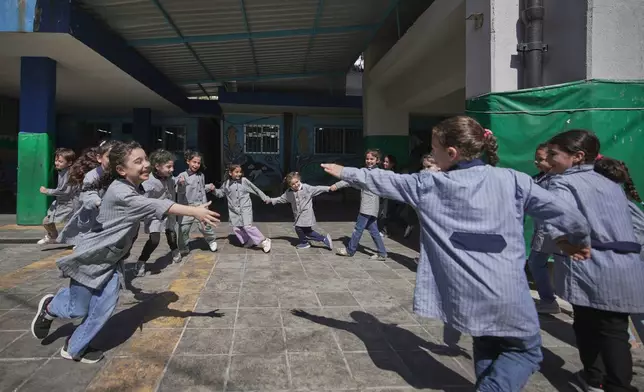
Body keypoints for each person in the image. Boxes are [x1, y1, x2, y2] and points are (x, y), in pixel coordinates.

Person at [321, 116, 591, 391]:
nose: (432, 154)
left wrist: (345, 172)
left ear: (451, 153)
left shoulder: (428, 185)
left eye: (434, 148)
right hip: (507, 295)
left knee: (486, 344)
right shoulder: (512, 180)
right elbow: (568, 214)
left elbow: (383, 180)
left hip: (465, 296)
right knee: (526, 352)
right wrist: (578, 241)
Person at [30, 141, 220, 363]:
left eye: (146, 159)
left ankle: (74, 346)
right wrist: (194, 211)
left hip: (113, 260)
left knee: (104, 308)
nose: (146, 164)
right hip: (92, 258)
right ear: (121, 170)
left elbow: (158, 197)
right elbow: (155, 206)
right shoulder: (120, 191)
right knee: (77, 309)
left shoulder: (137, 186)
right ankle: (51, 307)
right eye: (138, 161)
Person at [545, 130, 644, 392]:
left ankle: (596, 379)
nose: (549, 158)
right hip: (626, 264)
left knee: (589, 326)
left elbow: (560, 216)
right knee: (615, 331)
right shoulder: (610, 182)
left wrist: (566, 242)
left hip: (593, 263)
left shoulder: (564, 183)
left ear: (577, 156)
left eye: (554, 154)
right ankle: (616, 384)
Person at [594, 156, 644, 352]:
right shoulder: (627, 201)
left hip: (627, 257)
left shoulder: (612, 203)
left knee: (620, 306)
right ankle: (629, 339)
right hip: (633, 256)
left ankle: (628, 340)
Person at [58, 140, 117, 246]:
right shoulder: (92, 176)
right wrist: (98, 202)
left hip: (112, 220)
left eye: (118, 157)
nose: (114, 161)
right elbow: (89, 194)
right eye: (110, 157)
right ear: (99, 158)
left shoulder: (122, 174)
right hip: (92, 219)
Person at [333, 149, 388, 260]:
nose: (369, 161)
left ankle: (350, 250)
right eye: (367, 159)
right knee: (374, 230)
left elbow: (351, 180)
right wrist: (338, 185)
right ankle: (382, 253)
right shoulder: (372, 172)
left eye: (372, 159)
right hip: (373, 206)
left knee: (358, 228)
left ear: (377, 160)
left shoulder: (369, 172)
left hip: (368, 206)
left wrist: (337, 185)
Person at [134, 149, 181, 277]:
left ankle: (175, 250)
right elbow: (142, 198)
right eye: (168, 167)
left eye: (172, 166)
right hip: (154, 215)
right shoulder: (149, 182)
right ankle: (141, 261)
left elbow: (174, 181)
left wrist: (180, 180)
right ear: (157, 166)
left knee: (171, 233)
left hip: (169, 212)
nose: (172, 169)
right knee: (154, 240)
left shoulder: (170, 177)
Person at [527, 143, 561, 314]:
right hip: (544, 231)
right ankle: (549, 300)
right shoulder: (539, 178)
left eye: (540, 159)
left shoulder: (558, 180)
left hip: (555, 231)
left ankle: (550, 301)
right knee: (536, 262)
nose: (536, 162)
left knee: (537, 262)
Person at [266, 171, 334, 250]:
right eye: (293, 184)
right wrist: (271, 200)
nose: (296, 185)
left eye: (297, 182)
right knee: (307, 231)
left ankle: (305, 242)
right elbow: (281, 199)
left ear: (299, 179)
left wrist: (329, 188)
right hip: (298, 215)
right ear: (290, 185)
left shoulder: (307, 188)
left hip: (306, 214)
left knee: (298, 228)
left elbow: (318, 188)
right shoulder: (289, 192)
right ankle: (323, 239)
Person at [213, 164, 271, 253]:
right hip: (234, 210)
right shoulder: (226, 184)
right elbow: (220, 193)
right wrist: (213, 190)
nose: (239, 174)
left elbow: (255, 189)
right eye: (236, 172)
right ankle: (249, 240)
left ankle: (264, 240)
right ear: (230, 173)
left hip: (245, 208)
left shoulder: (244, 181)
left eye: (240, 172)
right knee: (236, 227)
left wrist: (265, 197)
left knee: (247, 226)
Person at [176, 150, 218, 255]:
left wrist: (208, 187)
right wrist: (181, 184)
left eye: (198, 163)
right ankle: (183, 247)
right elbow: (179, 191)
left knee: (205, 226)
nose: (196, 165)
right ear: (188, 161)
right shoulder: (182, 176)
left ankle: (211, 240)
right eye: (194, 162)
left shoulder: (201, 175)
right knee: (183, 229)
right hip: (187, 207)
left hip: (201, 205)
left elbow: (201, 188)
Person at [38, 148, 77, 245]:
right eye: (56, 160)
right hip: (61, 203)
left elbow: (65, 191)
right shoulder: (62, 171)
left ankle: (78, 242)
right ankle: (53, 236)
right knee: (47, 221)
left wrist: (47, 191)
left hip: (69, 204)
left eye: (60, 161)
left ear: (69, 163)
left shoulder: (69, 174)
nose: (57, 163)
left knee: (73, 224)